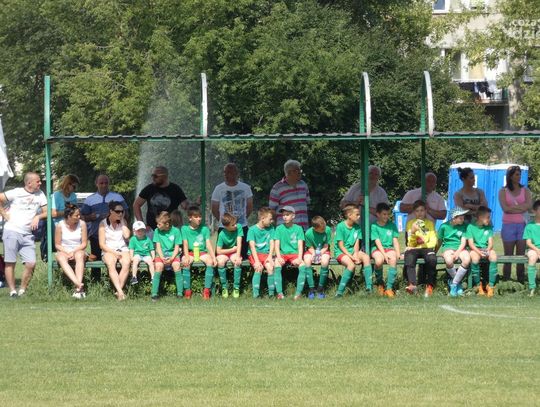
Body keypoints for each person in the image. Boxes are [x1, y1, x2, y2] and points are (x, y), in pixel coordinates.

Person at [0, 172, 48, 297]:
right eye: (38, 181)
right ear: (29, 183)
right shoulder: (16, 192)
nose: (40, 183)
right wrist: (4, 214)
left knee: (31, 263)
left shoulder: (40, 194)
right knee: (10, 262)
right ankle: (12, 291)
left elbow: (47, 211)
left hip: (27, 234)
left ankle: (22, 290)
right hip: (12, 231)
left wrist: (38, 216)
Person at [80, 174, 128, 281]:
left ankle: (116, 282)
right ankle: (95, 282)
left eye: (106, 183)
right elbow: (81, 217)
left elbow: (126, 214)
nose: (104, 185)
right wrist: (90, 217)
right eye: (101, 183)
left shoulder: (117, 197)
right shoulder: (90, 199)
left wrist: (115, 218)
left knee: (118, 260)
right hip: (96, 235)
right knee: (96, 261)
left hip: (115, 236)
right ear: (96, 184)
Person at [211, 163, 253, 257]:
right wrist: (225, 221)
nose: (229, 174)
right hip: (224, 227)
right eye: (226, 172)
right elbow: (214, 208)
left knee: (243, 256)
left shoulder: (246, 188)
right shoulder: (218, 188)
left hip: (242, 226)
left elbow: (250, 207)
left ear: (237, 173)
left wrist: (241, 219)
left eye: (231, 172)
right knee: (220, 256)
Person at [498, 165, 532, 283]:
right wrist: (521, 208)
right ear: (510, 176)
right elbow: (505, 209)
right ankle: (506, 281)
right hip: (508, 226)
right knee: (508, 255)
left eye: (520, 174)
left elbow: (528, 206)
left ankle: (521, 281)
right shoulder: (503, 191)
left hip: (523, 226)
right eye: (517, 174)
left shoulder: (525, 190)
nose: (519, 177)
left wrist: (513, 208)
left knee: (521, 256)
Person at [133, 166, 189, 233]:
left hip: (171, 230)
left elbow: (185, 206)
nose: (153, 178)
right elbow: (136, 204)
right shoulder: (149, 189)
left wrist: (195, 204)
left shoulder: (175, 189)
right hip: (152, 230)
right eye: (152, 176)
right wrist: (141, 224)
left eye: (155, 176)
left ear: (164, 176)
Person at [334, 204, 372, 297]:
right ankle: (339, 292)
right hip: (341, 252)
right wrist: (351, 257)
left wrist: (355, 254)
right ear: (349, 215)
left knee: (366, 257)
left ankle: (369, 288)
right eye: (357, 214)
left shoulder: (357, 227)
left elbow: (356, 243)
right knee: (351, 265)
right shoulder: (340, 226)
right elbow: (341, 246)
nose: (359, 217)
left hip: (353, 251)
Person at [40, 174, 79, 260]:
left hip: (71, 225)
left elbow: (75, 211)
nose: (74, 189)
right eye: (74, 186)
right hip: (58, 226)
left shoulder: (73, 196)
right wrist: (68, 212)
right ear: (68, 184)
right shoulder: (56, 195)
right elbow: (54, 214)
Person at [181, 206, 216, 300]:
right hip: (190, 253)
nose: (199, 219)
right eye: (196, 217)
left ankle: (206, 291)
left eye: (200, 216)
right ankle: (187, 291)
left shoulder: (204, 229)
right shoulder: (184, 229)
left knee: (210, 261)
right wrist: (186, 256)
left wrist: (214, 257)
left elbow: (208, 244)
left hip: (202, 252)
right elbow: (185, 243)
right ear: (190, 218)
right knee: (185, 262)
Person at [273, 206, 308, 300]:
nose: (285, 217)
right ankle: (280, 293)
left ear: (293, 216)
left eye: (287, 215)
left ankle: (298, 294)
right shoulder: (279, 228)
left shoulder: (298, 228)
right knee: (276, 264)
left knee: (302, 265)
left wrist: (300, 258)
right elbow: (276, 245)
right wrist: (279, 257)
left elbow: (300, 245)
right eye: (283, 215)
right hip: (282, 254)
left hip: (294, 254)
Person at [404, 200, 438, 297]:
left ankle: (430, 285)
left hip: (427, 248)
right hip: (414, 248)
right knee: (409, 256)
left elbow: (433, 241)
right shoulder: (410, 223)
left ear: (426, 211)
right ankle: (412, 285)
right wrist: (413, 232)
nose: (420, 213)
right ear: (414, 212)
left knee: (432, 259)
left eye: (422, 210)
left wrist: (423, 245)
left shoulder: (430, 223)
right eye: (417, 211)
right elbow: (410, 243)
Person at [98, 201, 131, 300]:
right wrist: (114, 253)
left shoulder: (123, 222)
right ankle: (120, 292)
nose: (120, 213)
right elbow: (102, 244)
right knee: (111, 264)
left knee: (127, 263)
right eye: (117, 211)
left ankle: (118, 291)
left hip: (123, 249)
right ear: (111, 211)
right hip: (108, 250)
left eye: (122, 211)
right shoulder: (103, 223)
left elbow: (127, 236)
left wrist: (123, 221)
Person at [54, 204, 87, 299]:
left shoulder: (82, 224)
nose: (79, 217)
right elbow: (57, 245)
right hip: (64, 250)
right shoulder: (60, 225)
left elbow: (84, 243)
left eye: (79, 214)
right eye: (76, 215)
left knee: (79, 255)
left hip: (78, 249)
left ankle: (78, 288)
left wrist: (73, 251)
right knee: (61, 257)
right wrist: (67, 252)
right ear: (69, 216)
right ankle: (78, 284)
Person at [437, 206, 471, 297]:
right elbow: (439, 241)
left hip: (460, 248)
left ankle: (454, 284)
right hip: (448, 248)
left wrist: (457, 252)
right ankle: (458, 284)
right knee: (449, 261)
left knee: (467, 260)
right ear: (454, 218)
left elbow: (463, 242)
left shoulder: (464, 226)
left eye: (463, 217)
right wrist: (435, 251)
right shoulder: (444, 226)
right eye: (460, 218)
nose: (463, 219)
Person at [269, 159, 310, 230]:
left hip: (303, 228)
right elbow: (272, 210)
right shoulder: (277, 188)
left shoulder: (303, 184)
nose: (300, 172)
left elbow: (307, 203)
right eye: (298, 170)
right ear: (290, 172)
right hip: (286, 230)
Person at [466, 206, 498, 297]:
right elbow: (471, 244)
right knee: (475, 259)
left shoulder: (489, 227)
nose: (489, 219)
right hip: (475, 249)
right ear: (480, 217)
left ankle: (491, 286)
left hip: (486, 248)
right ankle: (478, 285)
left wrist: (488, 250)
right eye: (488, 217)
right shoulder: (470, 227)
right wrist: (479, 252)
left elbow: (491, 243)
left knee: (494, 256)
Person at [151, 212, 183, 300]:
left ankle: (180, 293)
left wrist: (172, 259)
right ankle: (154, 294)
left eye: (159, 224)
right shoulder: (157, 231)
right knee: (158, 266)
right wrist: (162, 258)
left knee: (176, 265)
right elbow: (158, 247)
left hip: (173, 255)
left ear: (167, 224)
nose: (157, 226)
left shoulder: (176, 231)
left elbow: (177, 247)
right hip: (161, 255)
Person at [370, 203, 400, 296]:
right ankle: (380, 284)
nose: (386, 216)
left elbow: (395, 241)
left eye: (388, 214)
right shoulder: (374, 226)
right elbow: (377, 242)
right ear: (378, 214)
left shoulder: (392, 225)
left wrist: (398, 253)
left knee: (393, 259)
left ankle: (389, 288)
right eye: (384, 214)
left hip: (389, 248)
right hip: (377, 249)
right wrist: (384, 254)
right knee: (379, 261)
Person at [247, 207, 275, 298]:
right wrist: (257, 261)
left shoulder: (271, 228)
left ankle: (271, 294)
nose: (272, 221)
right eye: (270, 219)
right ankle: (256, 295)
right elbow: (252, 247)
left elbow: (272, 243)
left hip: (266, 254)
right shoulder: (252, 230)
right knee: (258, 268)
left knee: (270, 268)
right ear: (262, 218)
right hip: (254, 254)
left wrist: (270, 256)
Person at [215, 213, 244, 298]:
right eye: (233, 225)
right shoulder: (221, 234)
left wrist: (238, 256)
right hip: (224, 253)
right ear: (226, 226)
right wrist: (232, 250)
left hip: (235, 252)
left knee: (237, 262)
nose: (235, 225)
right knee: (220, 262)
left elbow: (239, 243)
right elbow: (218, 251)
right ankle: (224, 287)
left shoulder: (239, 227)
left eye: (235, 223)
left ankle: (236, 288)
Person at [303, 216, 331, 299]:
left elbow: (326, 246)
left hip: (324, 250)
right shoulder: (308, 233)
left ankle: (320, 289)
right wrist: (314, 253)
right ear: (315, 228)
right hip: (312, 250)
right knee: (307, 260)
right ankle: (311, 289)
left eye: (324, 227)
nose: (324, 229)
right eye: (322, 229)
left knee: (325, 261)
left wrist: (319, 253)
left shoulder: (328, 229)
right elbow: (310, 247)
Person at [129, 220, 155, 285]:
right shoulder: (133, 239)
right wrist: (131, 257)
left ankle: (153, 277)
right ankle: (134, 277)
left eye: (142, 230)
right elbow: (131, 249)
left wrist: (153, 257)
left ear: (145, 230)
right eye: (138, 230)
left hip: (146, 254)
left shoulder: (148, 239)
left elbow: (152, 249)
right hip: (137, 254)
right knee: (135, 261)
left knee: (151, 262)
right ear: (134, 231)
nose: (140, 232)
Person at [523, 199, 540, 297]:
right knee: (532, 258)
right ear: (534, 211)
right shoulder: (529, 226)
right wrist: (537, 250)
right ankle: (532, 288)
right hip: (533, 249)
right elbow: (528, 243)